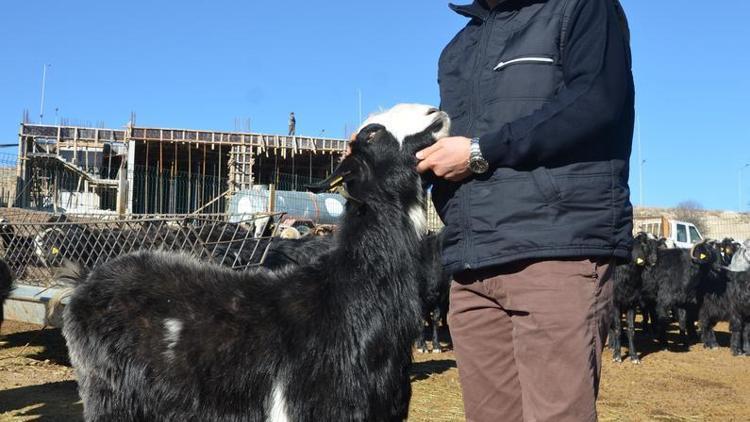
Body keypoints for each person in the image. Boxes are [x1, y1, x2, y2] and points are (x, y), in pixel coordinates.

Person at [416, 0, 634, 421]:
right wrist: (379, 156)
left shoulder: (581, 8)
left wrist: (481, 151)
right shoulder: (460, 46)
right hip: (473, 265)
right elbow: (452, 150)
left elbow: (595, 100)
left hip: (555, 253)